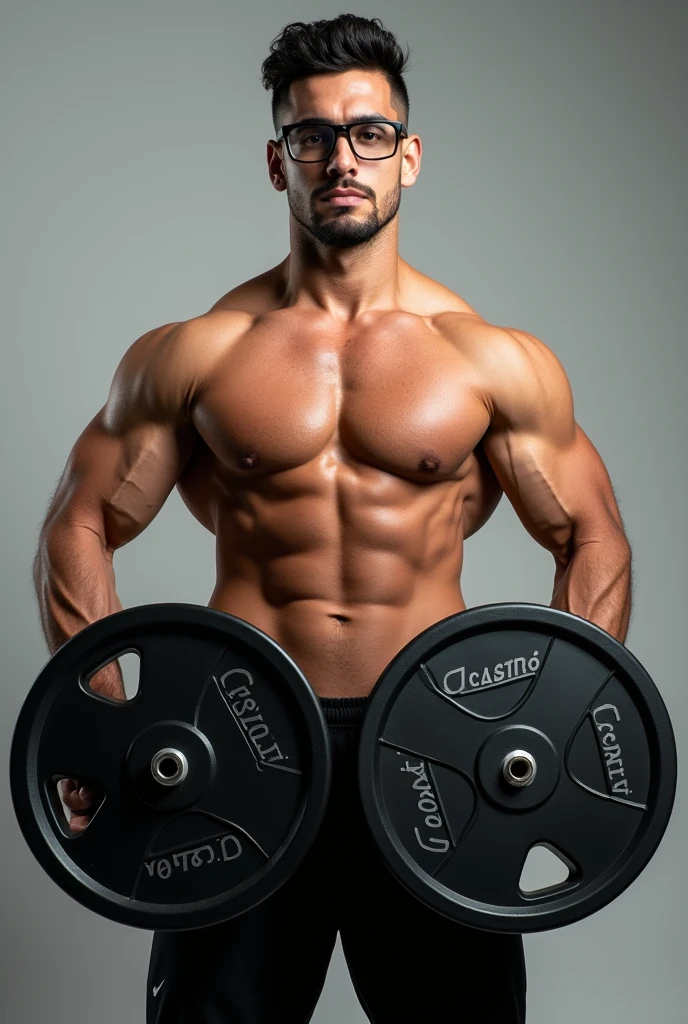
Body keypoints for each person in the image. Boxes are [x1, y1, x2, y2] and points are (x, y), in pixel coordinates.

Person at [33, 13, 632, 1024]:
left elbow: (592, 534)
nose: (339, 157)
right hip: (239, 740)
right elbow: (79, 522)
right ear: (278, 161)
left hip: (435, 741)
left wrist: (551, 716)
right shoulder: (199, 354)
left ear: (409, 156)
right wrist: (99, 723)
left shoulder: (485, 358)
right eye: (312, 135)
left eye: (367, 133)